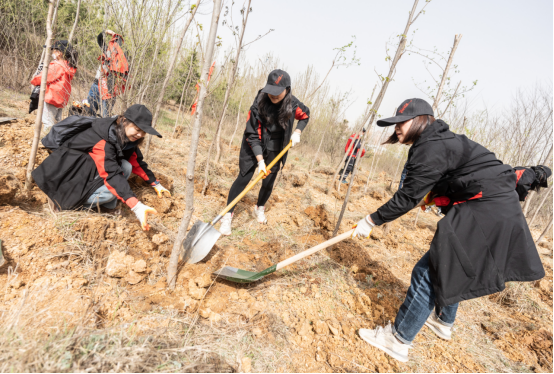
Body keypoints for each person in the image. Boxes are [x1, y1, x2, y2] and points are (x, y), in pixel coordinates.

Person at [350, 98, 544, 362]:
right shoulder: (441, 140)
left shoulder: (430, 147)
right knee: (452, 262)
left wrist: (371, 220)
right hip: (495, 207)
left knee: (429, 270)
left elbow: (407, 197)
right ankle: (443, 320)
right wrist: (435, 197)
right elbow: (460, 178)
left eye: (401, 122)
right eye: (394, 124)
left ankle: (397, 339)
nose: (396, 128)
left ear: (421, 120)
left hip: (486, 210)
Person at [32, 105, 171, 231]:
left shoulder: (125, 137)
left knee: (126, 166)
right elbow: (111, 174)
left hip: (86, 168)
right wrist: (136, 206)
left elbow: (137, 163)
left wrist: (156, 184)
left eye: (144, 132)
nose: (140, 135)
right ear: (124, 121)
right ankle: (66, 204)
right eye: (137, 129)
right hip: (66, 174)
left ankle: (106, 207)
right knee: (109, 192)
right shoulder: (104, 139)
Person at [219, 69, 310, 235]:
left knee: (269, 180)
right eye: (271, 92)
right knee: (244, 177)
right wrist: (260, 161)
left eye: (278, 93)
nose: (273, 96)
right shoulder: (259, 104)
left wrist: (298, 132)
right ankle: (227, 215)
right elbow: (252, 134)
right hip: (254, 142)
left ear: (287, 90)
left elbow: (305, 115)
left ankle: (259, 207)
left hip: (276, 145)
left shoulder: (293, 104)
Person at [30, 40, 77, 130]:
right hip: (61, 100)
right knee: (57, 123)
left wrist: (34, 80)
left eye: (53, 51)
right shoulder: (68, 66)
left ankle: (48, 142)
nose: (52, 53)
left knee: (48, 123)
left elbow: (44, 77)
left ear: (59, 53)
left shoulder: (57, 65)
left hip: (51, 98)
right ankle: (56, 141)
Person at [87, 30, 129, 117]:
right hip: (96, 85)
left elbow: (124, 76)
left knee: (105, 118)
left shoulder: (123, 59)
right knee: (89, 113)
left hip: (109, 91)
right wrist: (106, 32)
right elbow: (99, 39)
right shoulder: (107, 50)